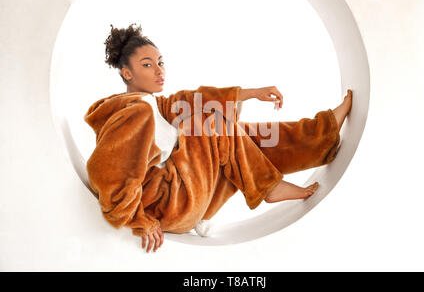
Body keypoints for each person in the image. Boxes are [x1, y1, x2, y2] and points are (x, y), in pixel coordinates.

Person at [84, 23, 352, 254]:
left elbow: (188, 100)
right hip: (170, 204)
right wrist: (138, 219)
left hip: (187, 196)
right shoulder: (135, 112)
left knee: (241, 137)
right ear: (126, 73)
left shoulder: (152, 105)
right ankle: (267, 186)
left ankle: (322, 135)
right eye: (147, 65)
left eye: (161, 62)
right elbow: (105, 174)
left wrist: (248, 93)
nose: (159, 71)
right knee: (210, 123)